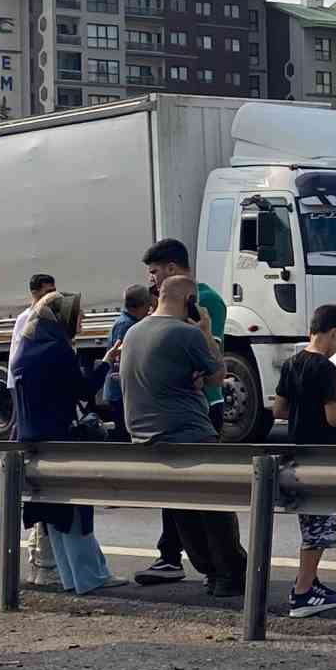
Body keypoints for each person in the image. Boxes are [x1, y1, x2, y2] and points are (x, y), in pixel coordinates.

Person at [121, 275, 248, 597]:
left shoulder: (134, 331)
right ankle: (229, 574)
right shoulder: (186, 333)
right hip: (189, 432)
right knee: (215, 508)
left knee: (183, 509)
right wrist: (206, 331)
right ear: (190, 301)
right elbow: (218, 375)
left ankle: (208, 570)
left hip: (145, 436)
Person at [13, 291, 126, 595]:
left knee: (55, 515)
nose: (82, 319)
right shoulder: (56, 350)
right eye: (77, 314)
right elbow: (82, 388)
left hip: (33, 442)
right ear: (61, 318)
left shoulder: (27, 347)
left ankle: (71, 577)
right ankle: (90, 578)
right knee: (74, 511)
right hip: (60, 438)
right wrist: (105, 363)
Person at [132, 239, 227, 586]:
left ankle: (190, 560)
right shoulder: (164, 305)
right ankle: (174, 555)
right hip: (177, 410)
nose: (152, 281)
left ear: (172, 268)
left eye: (156, 272)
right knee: (177, 494)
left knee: (200, 498)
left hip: (202, 408)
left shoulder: (204, 300)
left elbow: (210, 365)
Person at [273, 303, 336, 617]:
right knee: (320, 528)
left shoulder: (291, 363)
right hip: (322, 455)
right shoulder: (325, 368)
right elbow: (333, 417)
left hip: (297, 455)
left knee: (311, 523)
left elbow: (279, 411)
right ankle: (303, 593)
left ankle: (309, 582)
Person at [8, 274, 59, 587]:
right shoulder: (27, 320)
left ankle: (38, 555)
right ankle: (39, 557)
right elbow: (15, 359)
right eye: (47, 291)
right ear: (35, 293)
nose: (51, 296)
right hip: (25, 398)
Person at [102, 284, 152, 442]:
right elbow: (122, 359)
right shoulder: (126, 325)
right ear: (143, 305)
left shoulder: (126, 322)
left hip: (121, 391)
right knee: (124, 436)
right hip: (120, 392)